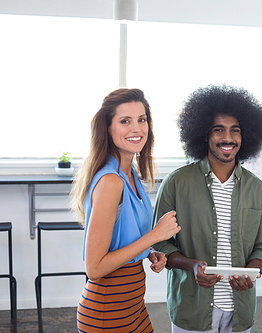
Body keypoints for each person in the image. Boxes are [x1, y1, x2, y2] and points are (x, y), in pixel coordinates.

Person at [152, 84, 262, 333]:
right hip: (192, 308)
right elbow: (160, 243)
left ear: (246, 136)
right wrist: (192, 266)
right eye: (218, 130)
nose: (227, 138)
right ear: (204, 134)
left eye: (235, 131)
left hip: (239, 310)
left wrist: (252, 271)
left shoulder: (258, 189)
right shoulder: (176, 183)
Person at [70, 88, 181, 332]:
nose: (137, 128)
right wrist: (156, 235)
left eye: (142, 120)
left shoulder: (130, 175)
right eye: (125, 121)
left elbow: (124, 240)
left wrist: (149, 251)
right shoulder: (111, 182)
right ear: (108, 129)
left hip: (133, 306)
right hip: (108, 311)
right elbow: (95, 268)